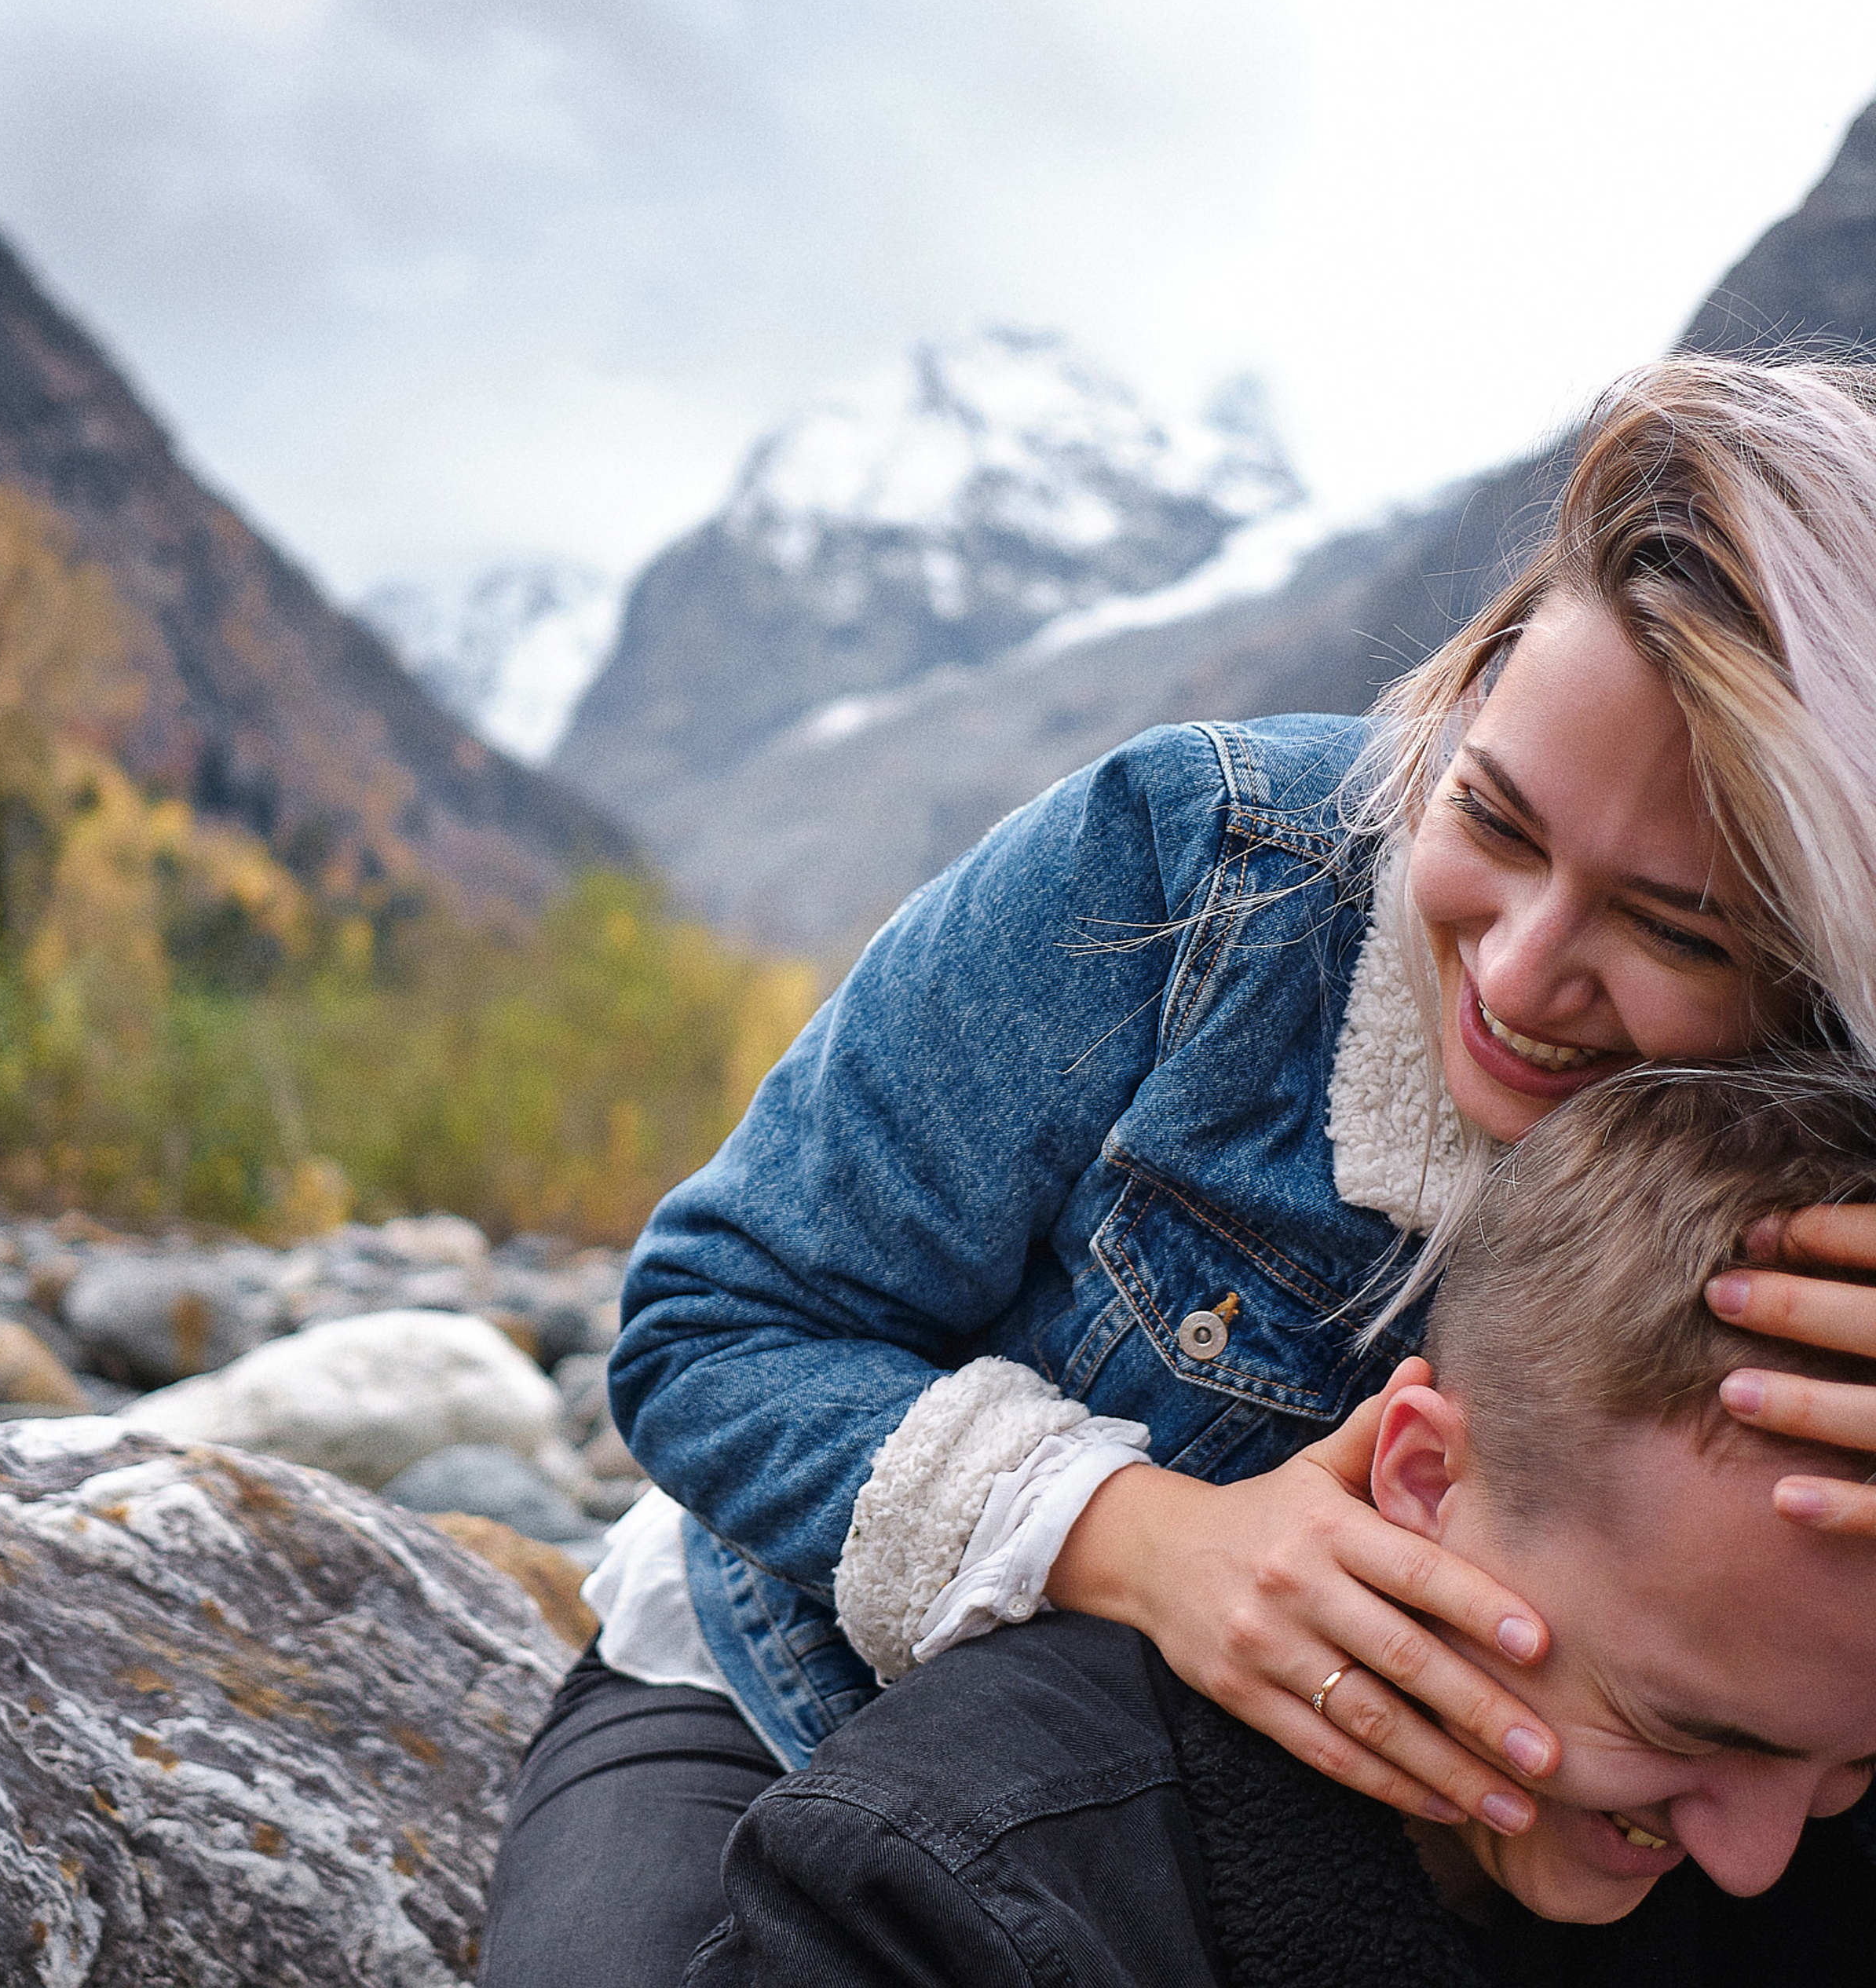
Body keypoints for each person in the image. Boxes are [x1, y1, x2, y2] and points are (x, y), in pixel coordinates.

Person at [477, 355, 1876, 1986]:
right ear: (1475, 688)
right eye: (1489, 819)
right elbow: (712, 1321)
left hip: (1364, 1831)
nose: (1516, 968)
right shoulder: (1189, 867)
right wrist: (1142, 1538)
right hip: (787, 1686)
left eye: (1670, 927)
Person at [683, 1061, 1876, 1986]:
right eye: (1675, 1723)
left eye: (1857, 1765)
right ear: (1421, 1482)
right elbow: (704, 1332)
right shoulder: (945, 1894)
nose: (1757, 1863)